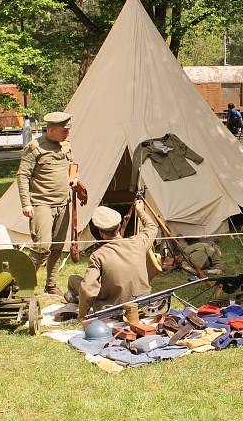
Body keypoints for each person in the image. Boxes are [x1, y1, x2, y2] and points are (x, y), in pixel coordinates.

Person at [16, 111, 86, 295]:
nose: (67, 134)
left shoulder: (66, 145)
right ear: (52, 130)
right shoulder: (35, 148)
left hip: (63, 203)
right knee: (42, 246)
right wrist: (26, 203)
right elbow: (22, 175)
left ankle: (51, 285)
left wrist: (75, 179)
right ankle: (22, 285)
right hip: (41, 204)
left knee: (57, 247)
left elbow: (72, 164)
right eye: (64, 131)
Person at [66, 202, 158, 320]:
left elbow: (87, 289)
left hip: (114, 310)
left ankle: (75, 299)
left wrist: (82, 317)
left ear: (101, 233)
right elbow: (152, 228)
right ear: (119, 226)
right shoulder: (138, 242)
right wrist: (140, 211)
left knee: (73, 279)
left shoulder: (98, 255)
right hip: (144, 306)